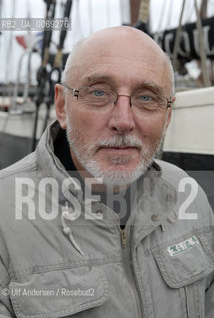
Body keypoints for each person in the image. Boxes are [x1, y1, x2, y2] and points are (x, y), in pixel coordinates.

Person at [0, 26, 213, 318]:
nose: (123, 121)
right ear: (62, 107)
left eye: (147, 97)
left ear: (167, 117)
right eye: (99, 92)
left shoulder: (188, 196)